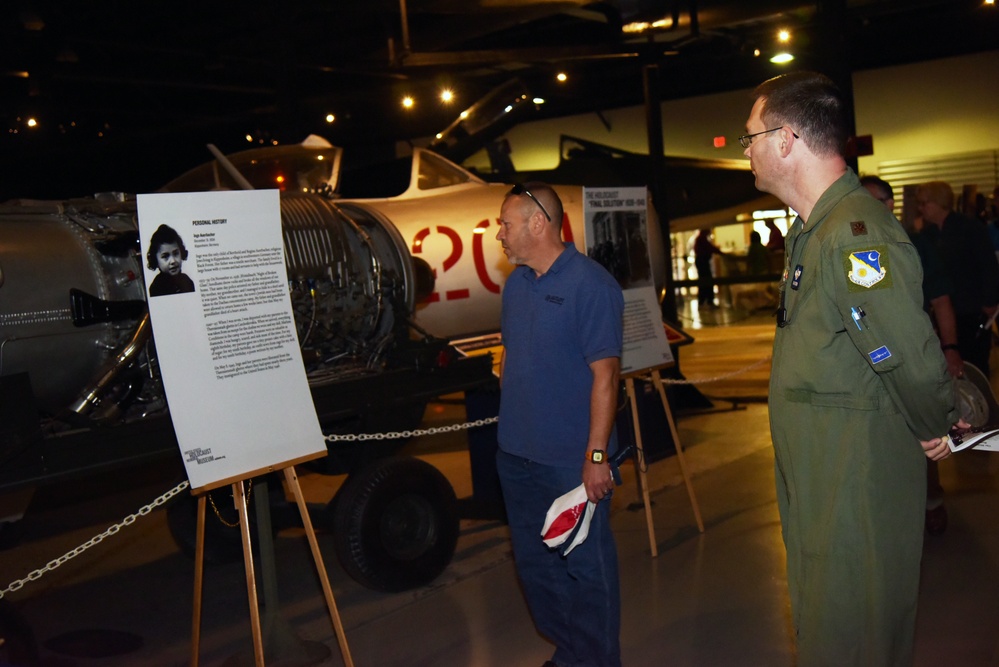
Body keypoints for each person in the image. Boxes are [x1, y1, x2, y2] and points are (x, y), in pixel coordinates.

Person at [742, 71, 960, 665]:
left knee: (854, 628)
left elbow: (907, 355)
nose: (748, 152)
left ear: (786, 140)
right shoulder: (814, 232)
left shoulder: (854, 237)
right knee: (829, 622)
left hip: (853, 477)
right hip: (823, 472)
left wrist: (940, 418)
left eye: (751, 137)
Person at [495, 181, 624, 667]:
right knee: (537, 570)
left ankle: (597, 660)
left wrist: (596, 457)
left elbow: (606, 376)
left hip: (569, 465)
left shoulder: (590, 286)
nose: (499, 234)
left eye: (505, 224)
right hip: (517, 459)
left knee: (587, 571)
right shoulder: (517, 285)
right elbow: (510, 358)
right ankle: (571, 654)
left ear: (538, 223)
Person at [862, 175, 963, 535]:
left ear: (889, 205)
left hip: (912, 360)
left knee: (925, 429)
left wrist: (950, 350)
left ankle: (931, 501)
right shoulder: (851, 246)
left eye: (871, 202)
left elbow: (941, 300)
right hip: (869, 371)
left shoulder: (915, 246)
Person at [916, 181, 999, 378]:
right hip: (943, 312)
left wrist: (989, 301)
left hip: (972, 309)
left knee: (976, 363)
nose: (921, 209)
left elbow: (988, 265)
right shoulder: (927, 235)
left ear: (939, 202)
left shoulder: (969, 227)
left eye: (924, 203)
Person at [146, 224, 195, 296]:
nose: (173, 261)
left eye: (176, 253)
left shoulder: (187, 281)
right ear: (155, 259)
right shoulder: (157, 287)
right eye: (165, 256)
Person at [693, 227, 724, 308]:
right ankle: (708, 301)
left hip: (702, 262)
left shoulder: (701, 239)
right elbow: (710, 248)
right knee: (706, 281)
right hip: (703, 262)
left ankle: (704, 301)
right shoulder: (701, 239)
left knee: (704, 281)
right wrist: (721, 253)